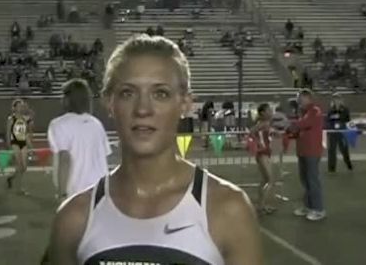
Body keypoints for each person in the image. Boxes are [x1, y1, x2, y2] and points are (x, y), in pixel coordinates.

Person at [48, 34, 263, 265]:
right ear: (109, 103)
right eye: (128, 93)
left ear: (185, 104)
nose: (143, 109)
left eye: (160, 93)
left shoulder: (228, 210)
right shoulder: (73, 218)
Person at [48, 78, 111, 200]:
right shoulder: (96, 123)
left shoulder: (58, 124)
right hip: (101, 188)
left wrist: (62, 193)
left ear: (67, 99)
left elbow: (65, 159)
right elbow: (103, 158)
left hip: (77, 189)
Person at [288, 89, 325, 221]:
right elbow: (299, 129)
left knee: (312, 180)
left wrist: (289, 124)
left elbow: (304, 124)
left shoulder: (315, 111)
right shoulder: (303, 112)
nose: (298, 102)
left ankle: (318, 209)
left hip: (312, 151)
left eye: (300, 99)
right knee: (305, 180)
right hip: (303, 150)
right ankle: (308, 206)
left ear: (308, 98)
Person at [252, 103, 276, 215]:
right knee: (270, 180)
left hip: (264, 153)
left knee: (264, 180)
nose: (271, 112)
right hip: (263, 154)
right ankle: (262, 206)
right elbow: (252, 132)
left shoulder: (264, 123)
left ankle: (261, 205)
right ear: (263, 113)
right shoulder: (263, 124)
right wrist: (259, 144)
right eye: (269, 110)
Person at [6, 99, 31, 195]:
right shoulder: (11, 119)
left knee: (24, 167)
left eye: (22, 106)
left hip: (23, 142)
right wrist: (8, 145)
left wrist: (30, 145)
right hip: (15, 143)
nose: (21, 108)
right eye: (19, 106)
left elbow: (26, 133)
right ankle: (20, 188)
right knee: (19, 164)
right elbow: (8, 133)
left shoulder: (25, 119)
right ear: (15, 108)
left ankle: (11, 178)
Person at [327, 93, 353, 173]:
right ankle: (331, 169)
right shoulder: (331, 110)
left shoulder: (345, 109)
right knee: (331, 151)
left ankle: (349, 165)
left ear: (341, 100)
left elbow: (347, 120)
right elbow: (328, 120)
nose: (336, 101)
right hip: (333, 133)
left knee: (344, 150)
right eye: (335, 99)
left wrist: (350, 130)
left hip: (342, 133)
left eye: (338, 99)